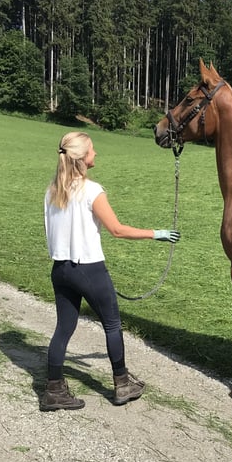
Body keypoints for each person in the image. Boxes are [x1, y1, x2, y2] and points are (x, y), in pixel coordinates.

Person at [42, 131, 180, 411]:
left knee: (63, 329)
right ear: (81, 159)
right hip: (88, 268)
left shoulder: (52, 191)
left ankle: (53, 390)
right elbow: (117, 230)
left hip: (60, 269)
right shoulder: (91, 191)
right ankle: (122, 383)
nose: (96, 154)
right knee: (112, 325)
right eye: (92, 150)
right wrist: (157, 233)